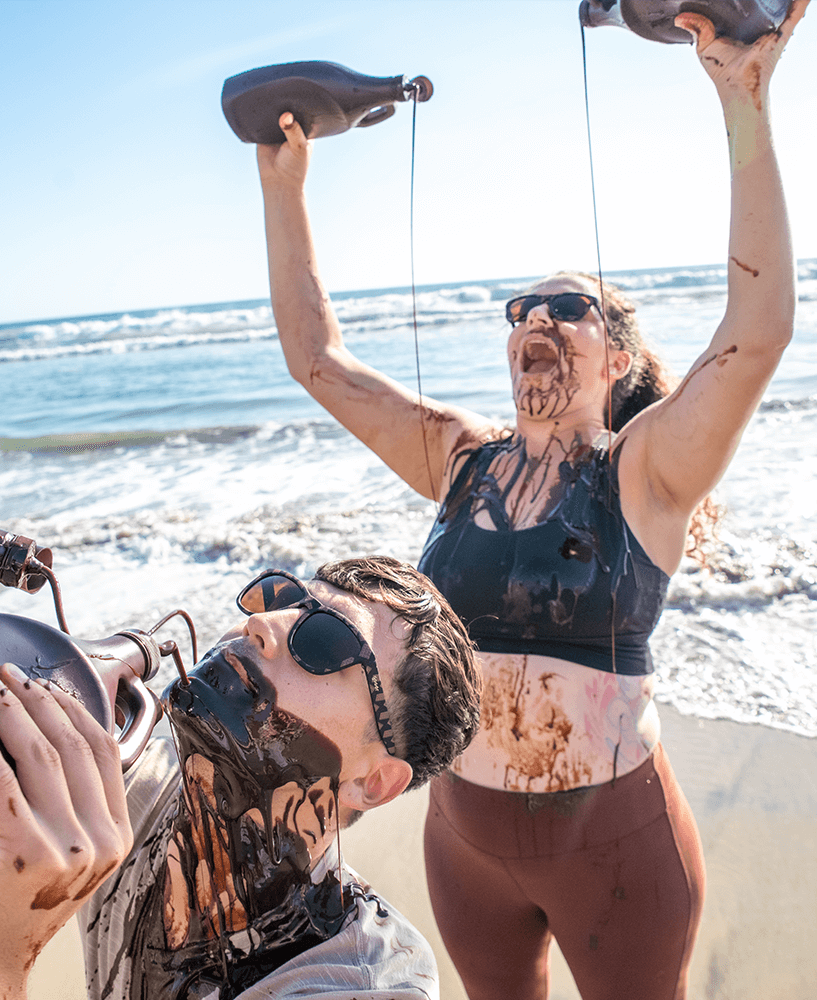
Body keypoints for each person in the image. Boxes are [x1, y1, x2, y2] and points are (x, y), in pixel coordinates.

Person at [254, 5, 808, 999]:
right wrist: (284, 191)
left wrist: (743, 103)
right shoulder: (464, 460)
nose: (534, 318)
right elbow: (317, 364)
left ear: (620, 357)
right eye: (519, 310)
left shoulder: (647, 470)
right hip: (461, 843)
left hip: (619, 858)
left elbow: (757, 330)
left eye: (566, 306)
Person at [0, 538, 479, 999]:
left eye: (324, 641)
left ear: (373, 780)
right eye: (278, 595)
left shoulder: (362, 984)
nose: (262, 623)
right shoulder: (143, 797)